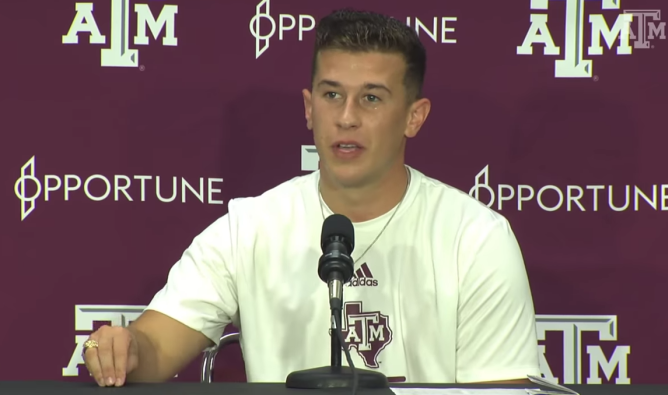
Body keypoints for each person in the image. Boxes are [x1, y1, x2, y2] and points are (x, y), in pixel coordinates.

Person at [82, 8, 541, 387]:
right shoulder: (251, 227)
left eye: (372, 99)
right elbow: (156, 347)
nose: (346, 117)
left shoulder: (475, 238)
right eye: (331, 94)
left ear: (414, 117)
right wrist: (127, 349)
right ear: (308, 108)